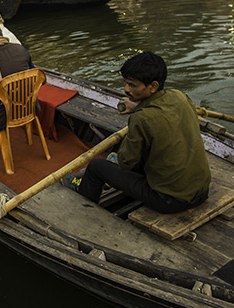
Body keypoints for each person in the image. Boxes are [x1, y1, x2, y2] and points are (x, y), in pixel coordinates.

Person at [65, 52, 211, 214]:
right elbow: (160, 108)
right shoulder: (179, 97)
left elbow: (127, 162)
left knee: (96, 167)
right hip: (202, 191)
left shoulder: (141, 119)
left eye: (133, 85)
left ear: (153, 86)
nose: (126, 89)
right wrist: (136, 106)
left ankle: (86, 209)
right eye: (126, 83)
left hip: (170, 201)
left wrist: (136, 116)